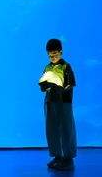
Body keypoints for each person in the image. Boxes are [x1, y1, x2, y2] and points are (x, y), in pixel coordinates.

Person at [39, 38, 77, 171]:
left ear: (61, 52)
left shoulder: (66, 67)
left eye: (55, 54)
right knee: (52, 129)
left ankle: (68, 158)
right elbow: (43, 84)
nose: (52, 57)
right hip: (50, 102)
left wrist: (57, 88)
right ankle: (58, 155)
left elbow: (70, 84)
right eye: (50, 55)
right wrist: (44, 85)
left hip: (64, 102)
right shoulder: (48, 67)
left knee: (65, 129)